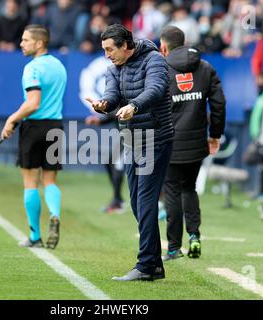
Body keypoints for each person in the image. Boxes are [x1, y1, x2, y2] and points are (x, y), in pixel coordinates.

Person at [85, 24, 174, 281]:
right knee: (136, 202)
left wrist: (134, 105)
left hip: (156, 138)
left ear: (126, 45)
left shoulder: (154, 59)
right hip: (131, 140)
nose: (107, 55)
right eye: (104, 50)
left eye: (110, 49)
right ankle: (155, 265)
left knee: (145, 200)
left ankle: (146, 265)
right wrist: (104, 106)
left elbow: (156, 90)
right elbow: (112, 97)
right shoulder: (113, 68)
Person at [159, 25, 226, 261]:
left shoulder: (163, 69)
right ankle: (195, 236)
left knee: (172, 193)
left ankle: (174, 247)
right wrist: (215, 135)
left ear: (164, 46)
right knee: (189, 188)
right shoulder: (206, 67)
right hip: (197, 142)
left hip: (170, 142)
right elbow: (219, 104)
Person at [1, 25, 67, 249]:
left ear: (39, 43)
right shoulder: (59, 66)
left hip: (34, 128)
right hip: (56, 126)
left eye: (26, 40)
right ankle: (55, 214)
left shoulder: (32, 68)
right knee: (50, 181)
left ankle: (35, 235)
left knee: (30, 183)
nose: (21, 44)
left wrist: (12, 119)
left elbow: (33, 103)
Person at [85, 111, 125, 213]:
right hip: (125, 139)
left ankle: (117, 202)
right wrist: (98, 120)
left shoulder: (131, 99)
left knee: (117, 164)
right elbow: (113, 114)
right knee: (110, 162)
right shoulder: (119, 101)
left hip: (138, 137)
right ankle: (118, 199)